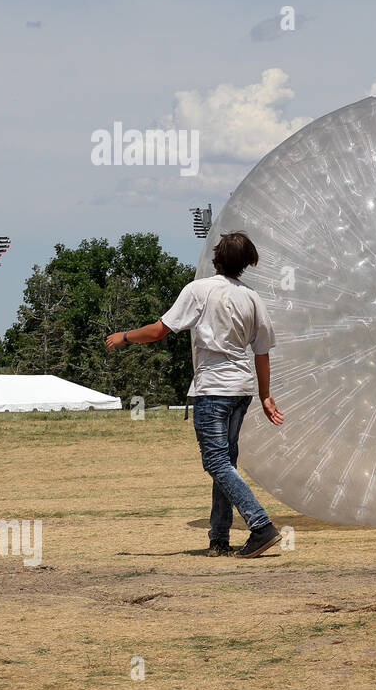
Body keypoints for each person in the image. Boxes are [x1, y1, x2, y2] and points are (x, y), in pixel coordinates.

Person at [105, 231, 285, 557]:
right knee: (225, 463)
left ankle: (260, 526)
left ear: (216, 257)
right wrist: (265, 394)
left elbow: (161, 330)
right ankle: (219, 538)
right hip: (241, 389)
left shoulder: (198, 291)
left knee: (216, 462)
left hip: (212, 389)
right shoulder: (252, 297)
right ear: (246, 264)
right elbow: (261, 352)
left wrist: (126, 336)